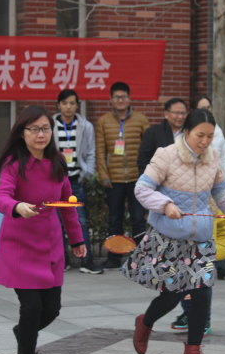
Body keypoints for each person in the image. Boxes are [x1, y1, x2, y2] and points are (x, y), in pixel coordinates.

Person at [125, 109, 225, 354]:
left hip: (200, 239)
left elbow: (222, 194)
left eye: (210, 136)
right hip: (169, 238)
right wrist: (165, 205)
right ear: (185, 131)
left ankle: (193, 350)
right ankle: (144, 323)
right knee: (171, 297)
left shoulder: (213, 157)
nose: (205, 141)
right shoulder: (166, 155)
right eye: (200, 135)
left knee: (202, 293)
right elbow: (141, 189)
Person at [0, 105, 86, 354]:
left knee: (52, 310)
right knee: (32, 307)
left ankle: (23, 332)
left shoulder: (58, 162)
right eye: (34, 129)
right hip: (19, 245)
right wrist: (17, 206)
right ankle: (27, 353)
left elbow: (67, 204)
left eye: (45, 128)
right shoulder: (14, 163)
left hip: (50, 245)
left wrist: (76, 239)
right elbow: (1, 196)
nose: (40, 135)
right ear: (22, 133)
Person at [96, 82, 150, 269]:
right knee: (114, 221)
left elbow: (148, 149)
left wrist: (146, 176)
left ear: (129, 98)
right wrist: (104, 175)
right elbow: (100, 151)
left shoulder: (141, 119)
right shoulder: (103, 121)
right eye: (117, 97)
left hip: (137, 179)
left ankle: (141, 259)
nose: (120, 100)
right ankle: (114, 258)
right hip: (114, 180)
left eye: (124, 97)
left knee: (138, 220)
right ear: (111, 99)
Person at [52, 89, 101, 275]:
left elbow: (91, 152)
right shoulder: (50, 124)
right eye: (65, 103)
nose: (68, 106)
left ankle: (86, 261)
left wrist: (88, 173)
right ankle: (61, 260)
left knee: (80, 221)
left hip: (76, 181)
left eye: (72, 103)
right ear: (59, 105)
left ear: (77, 105)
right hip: (56, 181)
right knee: (56, 222)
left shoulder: (85, 126)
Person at [190, 95, 225, 281]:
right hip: (197, 188)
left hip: (216, 186)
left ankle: (222, 266)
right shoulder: (189, 131)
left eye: (208, 107)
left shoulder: (217, 129)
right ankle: (201, 267)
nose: (206, 110)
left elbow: (224, 156)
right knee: (206, 229)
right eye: (202, 107)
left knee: (222, 225)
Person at [137, 98, 188, 175]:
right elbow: (143, 159)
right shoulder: (152, 133)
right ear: (166, 114)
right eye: (176, 113)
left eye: (183, 113)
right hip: (159, 178)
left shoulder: (190, 133)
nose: (180, 116)